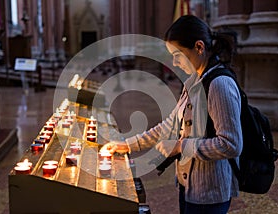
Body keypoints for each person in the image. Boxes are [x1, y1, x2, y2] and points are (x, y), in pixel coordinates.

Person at [101, 15, 242, 214]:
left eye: (177, 54)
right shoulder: (194, 81)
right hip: (190, 186)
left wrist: (180, 146)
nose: (174, 63)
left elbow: (231, 144)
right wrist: (127, 144)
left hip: (210, 194)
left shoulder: (219, 84)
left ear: (199, 47)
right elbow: (169, 125)